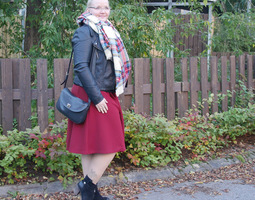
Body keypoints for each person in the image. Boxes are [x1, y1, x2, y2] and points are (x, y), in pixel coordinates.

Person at [66, 0, 131, 199]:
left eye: (106, 7)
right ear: (88, 10)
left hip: (104, 91)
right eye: (98, 7)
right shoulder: (84, 32)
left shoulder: (107, 30)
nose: (103, 11)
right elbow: (81, 67)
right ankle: (87, 184)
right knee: (113, 141)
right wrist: (96, 97)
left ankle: (90, 193)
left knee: (90, 144)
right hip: (93, 93)